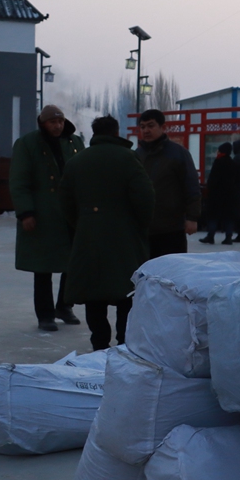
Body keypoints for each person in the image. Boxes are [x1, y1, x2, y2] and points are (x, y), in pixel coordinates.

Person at [59, 115, 154, 351]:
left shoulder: (76, 161)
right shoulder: (129, 158)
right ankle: (124, 341)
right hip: (125, 236)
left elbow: (64, 202)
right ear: (116, 132)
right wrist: (140, 226)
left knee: (94, 293)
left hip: (88, 236)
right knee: (127, 292)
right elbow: (145, 197)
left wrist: (82, 223)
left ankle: (99, 343)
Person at [9, 105, 86, 331]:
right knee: (42, 267)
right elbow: (19, 182)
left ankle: (64, 306)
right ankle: (45, 314)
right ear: (42, 123)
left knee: (72, 263)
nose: (58, 126)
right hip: (42, 214)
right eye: (53, 122)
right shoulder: (27, 144)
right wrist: (26, 212)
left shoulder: (74, 143)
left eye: (60, 121)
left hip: (70, 213)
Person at [135, 109, 200, 258]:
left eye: (151, 126)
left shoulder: (178, 153)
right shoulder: (137, 155)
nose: (146, 130)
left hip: (171, 227)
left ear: (163, 127)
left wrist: (192, 217)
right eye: (143, 127)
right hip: (142, 228)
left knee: (171, 271)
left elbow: (191, 185)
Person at [198, 143, 238, 245]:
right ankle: (228, 237)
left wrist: (209, 189)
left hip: (216, 195)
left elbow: (212, 179)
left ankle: (210, 235)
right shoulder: (232, 163)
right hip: (230, 195)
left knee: (213, 216)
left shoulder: (218, 162)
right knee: (228, 216)